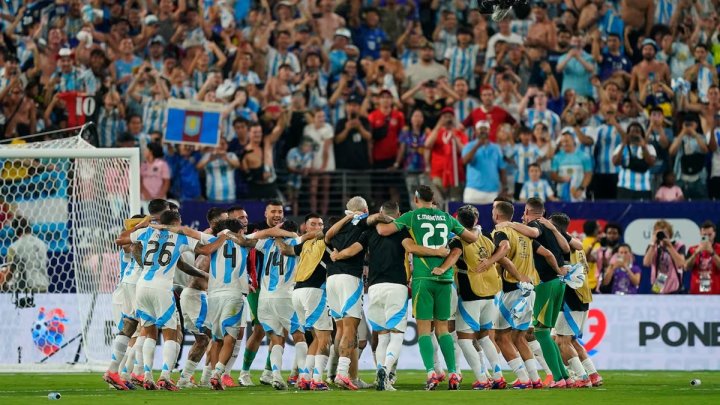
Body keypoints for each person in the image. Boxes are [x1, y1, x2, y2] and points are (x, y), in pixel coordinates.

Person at [376, 185, 478, 391]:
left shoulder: (411, 217)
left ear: (416, 199)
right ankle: (453, 374)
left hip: (424, 278)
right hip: (446, 279)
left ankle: (431, 373)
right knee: (443, 330)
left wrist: (382, 217)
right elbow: (472, 238)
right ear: (433, 199)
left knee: (424, 330)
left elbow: (384, 230)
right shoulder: (447, 217)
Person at [116, 210, 224, 391]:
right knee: (171, 333)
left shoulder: (147, 232)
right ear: (177, 221)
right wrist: (225, 237)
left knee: (149, 331)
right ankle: (165, 376)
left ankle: (147, 376)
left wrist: (142, 225)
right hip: (162, 287)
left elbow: (121, 240)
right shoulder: (179, 236)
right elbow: (206, 249)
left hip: (142, 286)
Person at [275, 214, 333, 391]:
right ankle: (317, 379)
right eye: (313, 224)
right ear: (305, 228)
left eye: (320, 224)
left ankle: (305, 377)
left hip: (298, 292)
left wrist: (275, 234)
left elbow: (285, 250)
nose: (317, 227)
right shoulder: (326, 241)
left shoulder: (304, 245)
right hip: (315, 291)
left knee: (314, 337)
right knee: (325, 338)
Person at [461, 121, 508, 204]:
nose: (483, 131)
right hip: (473, 191)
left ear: (489, 131)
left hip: (492, 193)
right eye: (480, 129)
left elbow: (502, 169)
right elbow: (465, 161)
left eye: (485, 129)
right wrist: (478, 145)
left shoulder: (496, 148)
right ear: (476, 131)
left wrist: (505, 187)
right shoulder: (469, 146)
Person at [612, 122, 657, 200]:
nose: (635, 134)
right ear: (628, 134)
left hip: (643, 188)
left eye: (637, 132)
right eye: (632, 131)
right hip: (624, 187)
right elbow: (615, 162)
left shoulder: (649, 147)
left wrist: (643, 147)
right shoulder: (621, 147)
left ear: (642, 134)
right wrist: (623, 145)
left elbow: (651, 163)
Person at [5, 217, 49, 293]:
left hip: (26, 289)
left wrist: (4, 284)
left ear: (15, 231)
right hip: (43, 286)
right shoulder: (42, 244)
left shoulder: (14, 247)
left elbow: (9, 271)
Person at [643, 220, 687, 294]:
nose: (662, 236)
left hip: (674, 286)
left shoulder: (678, 246)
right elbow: (646, 263)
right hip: (658, 283)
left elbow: (681, 264)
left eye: (665, 233)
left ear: (670, 234)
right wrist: (653, 244)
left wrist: (669, 247)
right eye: (659, 233)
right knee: (657, 301)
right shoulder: (653, 247)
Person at [551, 132, 592, 202]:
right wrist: (562, 179)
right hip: (562, 194)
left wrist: (581, 189)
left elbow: (588, 175)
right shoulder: (556, 157)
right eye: (562, 142)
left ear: (573, 141)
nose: (564, 144)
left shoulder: (584, 156)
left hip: (579, 194)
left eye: (567, 141)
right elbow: (553, 175)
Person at [685, 221, 720, 294]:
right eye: (705, 235)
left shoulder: (719, 248)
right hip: (696, 293)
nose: (707, 237)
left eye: (710, 235)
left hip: (715, 294)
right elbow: (686, 267)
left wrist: (712, 253)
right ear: (701, 234)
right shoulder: (692, 249)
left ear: (714, 234)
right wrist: (696, 253)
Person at [286, 137, 315, 215]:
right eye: (308, 146)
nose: (310, 148)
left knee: (296, 198)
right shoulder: (293, 152)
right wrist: (301, 171)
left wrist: (305, 171)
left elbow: (308, 168)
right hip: (289, 179)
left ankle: (295, 216)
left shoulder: (310, 154)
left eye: (311, 146)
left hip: (299, 180)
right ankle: (287, 215)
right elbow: (290, 167)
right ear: (302, 145)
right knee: (289, 198)